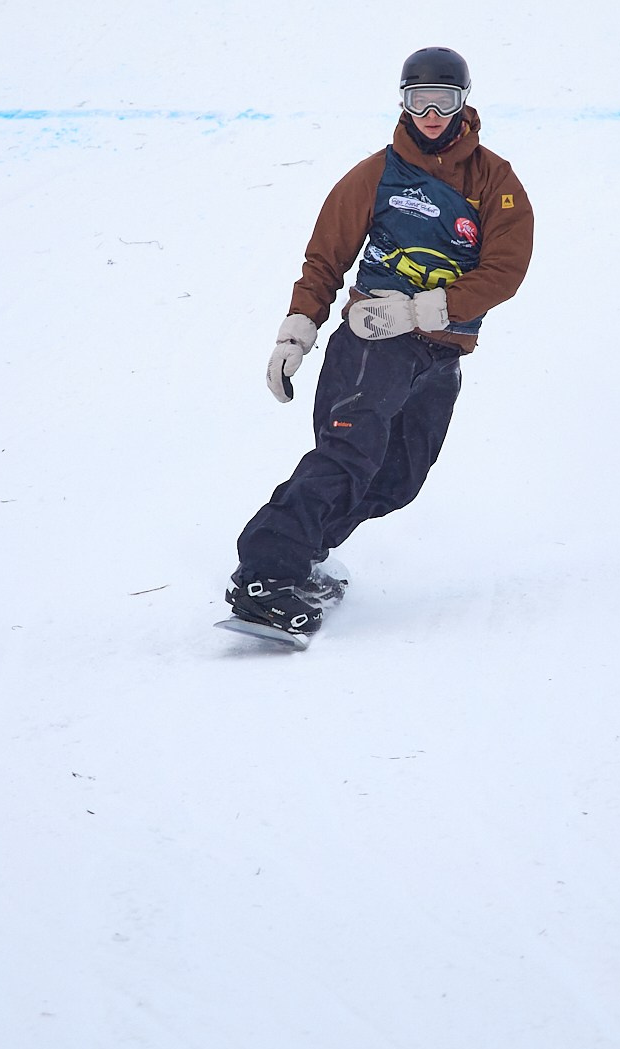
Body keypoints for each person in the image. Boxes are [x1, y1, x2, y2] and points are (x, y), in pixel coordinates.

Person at [225, 46, 535, 640]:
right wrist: (298, 331)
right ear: (403, 103)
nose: (430, 115)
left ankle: (307, 554)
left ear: (463, 104)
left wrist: (423, 310)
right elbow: (325, 258)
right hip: (373, 342)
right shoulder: (377, 174)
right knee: (348, 453)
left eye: (443, 101)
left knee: (399, 476)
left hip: (441, 348)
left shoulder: (495, 182)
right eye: (418, 101)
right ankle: (268, 569)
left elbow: (506, 268)